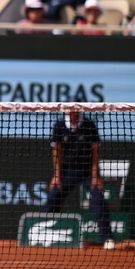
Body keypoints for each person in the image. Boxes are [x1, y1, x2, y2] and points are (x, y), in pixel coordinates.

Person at [43, 102, 115, 250]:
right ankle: (43, 233)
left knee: (98, 199)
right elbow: (57, 151)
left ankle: (107, 238)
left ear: (79, 111)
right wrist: (57, 176)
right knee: (53, 197)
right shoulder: (59, 125)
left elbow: (95, 154)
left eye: (75, 109)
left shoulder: (89, 125)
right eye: (70, 109)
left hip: (88, 172)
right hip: (67, 171)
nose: (72, 112)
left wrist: (96, 177)